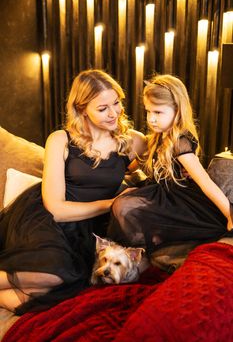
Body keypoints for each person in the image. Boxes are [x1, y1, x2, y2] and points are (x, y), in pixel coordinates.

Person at [0, 69, 146, 314]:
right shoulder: (61, 139)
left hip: (90, 230)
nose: (114, 113)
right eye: (102, 108)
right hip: (48, 221)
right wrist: (111, 203)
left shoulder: (132, 141)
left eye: (117, 103)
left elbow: (167, 155)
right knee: (55, 277)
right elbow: (56, 209)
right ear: (81, 109)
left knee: (50, 296)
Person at [108, 74, 233, 272]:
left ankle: (145, 250)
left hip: (179, 199)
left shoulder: (180, 141)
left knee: (124, 205)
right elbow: (143, 165)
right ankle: (146, 246)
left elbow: (203, 179)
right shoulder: (158, 137)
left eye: (158, 112)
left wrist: (229, 213)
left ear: (177, 110)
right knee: (124, 199)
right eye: (148, 112)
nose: (151, 119)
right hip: (160, 193)